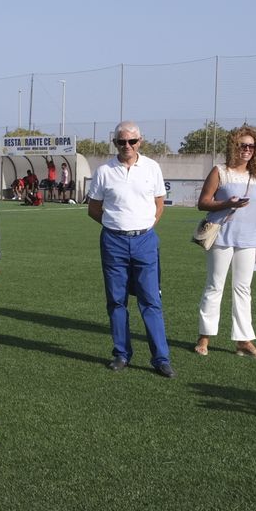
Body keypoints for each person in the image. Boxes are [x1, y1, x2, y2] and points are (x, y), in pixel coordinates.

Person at [86, 121, 173, 378]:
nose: (127, 146)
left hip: (145, 241)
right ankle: (122, 353)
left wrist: (144, 227)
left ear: (140, 141)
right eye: (121, 141)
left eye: (132, 141)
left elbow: (159, 204)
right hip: (113, 242)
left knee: (151, 300)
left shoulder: (152, 168)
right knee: (116, 301)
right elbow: (93, 208)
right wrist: (116, 226)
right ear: (114, 143)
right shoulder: (104, 171)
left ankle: (161, 358)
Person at [194, 124, 256, 359]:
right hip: (222, 237)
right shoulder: (220, 171)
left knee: (243, 289)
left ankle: (243, 341)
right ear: (233, 146)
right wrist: (228, 204)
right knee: (215, 286)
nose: (247, 150)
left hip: (248, 239)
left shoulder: (255, 176)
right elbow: (203, 202)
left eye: (251, 146)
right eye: (242, 145)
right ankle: (204, 338)